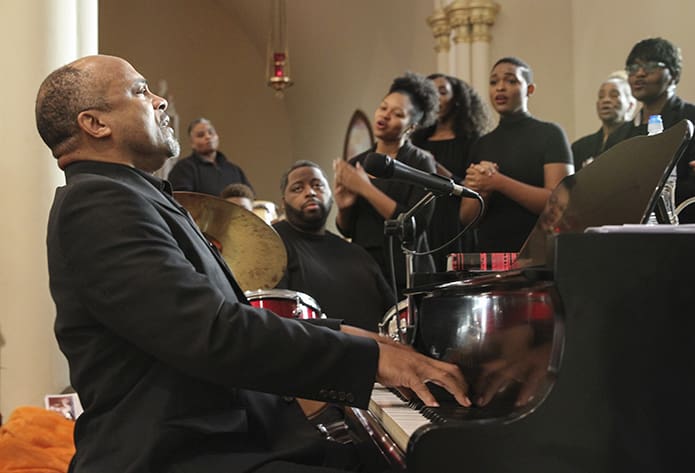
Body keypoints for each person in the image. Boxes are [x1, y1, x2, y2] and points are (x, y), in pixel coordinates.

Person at [35, 54, 470, 473]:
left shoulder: (130, 195)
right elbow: (210, 333)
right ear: (95, 123)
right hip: (177, 455)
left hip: (225, 441)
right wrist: (366, 359)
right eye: (140, 90)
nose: (160, 100)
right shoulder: (97, 201)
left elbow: (228, 316)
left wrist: (350, 334)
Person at [333, 72, 439, 298]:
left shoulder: (420, 162)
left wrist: (366, 189)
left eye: (397, 114)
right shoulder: (357, 163)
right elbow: (347, 229)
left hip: (407, 275)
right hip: (365, 271)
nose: (385, 115)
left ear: (411, 127)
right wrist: (343, 207)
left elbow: (413, 226)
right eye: (383, 108)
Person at [459, 57, 574, 253]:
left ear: (530, 90)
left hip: (539, 254)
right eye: (494, 82)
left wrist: (498, 182)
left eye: (511, 81)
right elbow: (467, 219)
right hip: (491, 255)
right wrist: (484, 191)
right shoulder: (482, 144)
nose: (500, 88)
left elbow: (559, 204)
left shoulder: (550, 134)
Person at [274, 160, 395, 332]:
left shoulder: (357, 254)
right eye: (297, 188)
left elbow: (393, 314)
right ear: (283, 202)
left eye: (318, 186)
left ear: (332, 196)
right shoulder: (273, 244)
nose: (310, 192)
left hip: (378, 352)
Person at [411, 73, 493, 270]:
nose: (435, 98)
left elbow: (474, 188)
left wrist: (440, 171)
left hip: (455, 223)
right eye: (430, 92)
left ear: (456, 99)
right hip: (424, 222)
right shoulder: (416, 142)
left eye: (442, 92)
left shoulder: (473, 142)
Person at [623, 37, 695, 223]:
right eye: (632, 69)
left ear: (674, 74)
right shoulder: (622, 134)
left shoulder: (691, 119)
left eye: (650, 67)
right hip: (634, 234)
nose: (639, 74)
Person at [167, 117, 254, 196]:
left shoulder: (234, 170)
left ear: (217, 136)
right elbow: (182, 201)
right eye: (201, 135)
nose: (208, 137)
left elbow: (250, 198)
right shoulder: (183, 168)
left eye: (211, 133)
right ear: (192, 143)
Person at [571, 72, 636, 171]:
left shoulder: (637, 139)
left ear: (630, 105)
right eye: (601, 96)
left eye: (614, 95)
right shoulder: (581, 147)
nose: (606, 100)